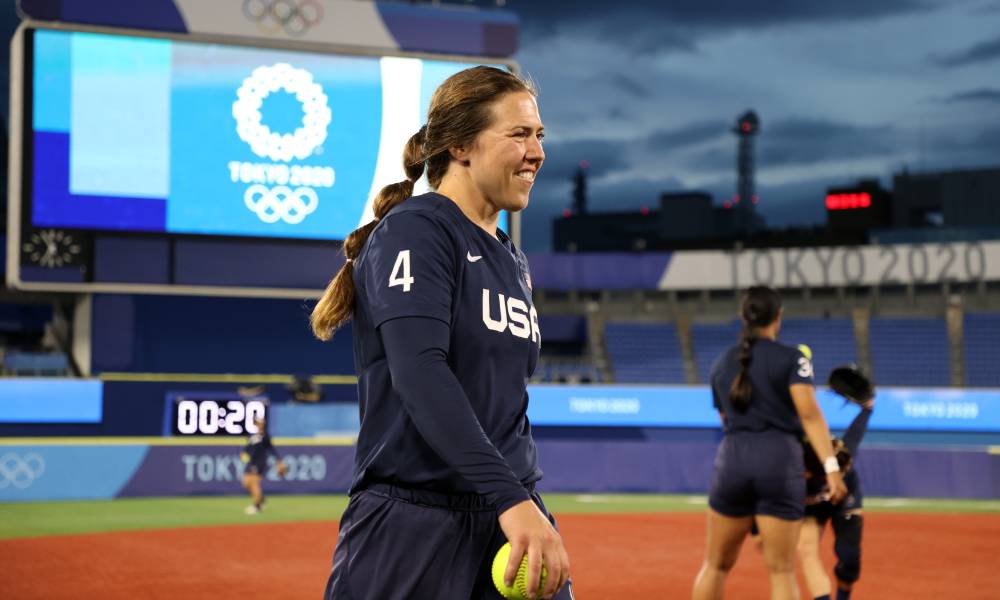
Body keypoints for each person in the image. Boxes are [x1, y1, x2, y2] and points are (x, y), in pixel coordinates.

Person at [310, 66, 572, 600]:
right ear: (460, 145)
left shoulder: (512, 259)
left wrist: (521, 498)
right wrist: (513, 500)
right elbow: (422, 374)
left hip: (504, 521)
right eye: (519, 134)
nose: (537, 151)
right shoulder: (417, 229)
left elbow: (504, 404)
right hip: (412, 525)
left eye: (539, 135)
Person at [692, 286, 847, 600]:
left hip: (733, 459)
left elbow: (725, 419)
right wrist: (831, 468)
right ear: (779, 317)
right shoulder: (793, 359)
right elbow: (810, 415)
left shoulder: (721, 363)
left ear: (742, 317)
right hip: (779, 460)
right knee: (782, 570)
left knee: (716, 565)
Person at [796, 388, 874, 600]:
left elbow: (855, 433)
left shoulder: (840, 459)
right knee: (807, 550)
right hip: (812, 507)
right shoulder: (793, 467)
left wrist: (867, 409)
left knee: (849, 558)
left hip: (843, 499)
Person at [240, 415, 287, 515]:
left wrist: (279, 460)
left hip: (259, 462)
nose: (259, 423)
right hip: (251, 462)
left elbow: (271, 449)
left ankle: (257, 506)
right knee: (246, 482)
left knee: (254, 483)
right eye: (257, 422)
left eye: (260, 422)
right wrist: (244, 453)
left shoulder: (265, 436)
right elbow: (247, 448)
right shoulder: (252, 436)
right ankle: (261, 499)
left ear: (263, 424)